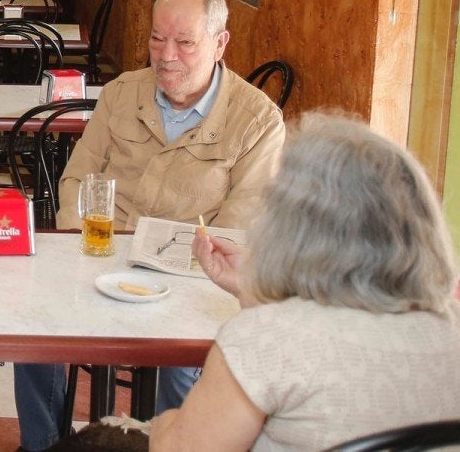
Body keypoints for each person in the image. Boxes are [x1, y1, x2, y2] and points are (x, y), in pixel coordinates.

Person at [13, 0, 285, 452]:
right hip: (99, 254)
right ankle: (41, 445)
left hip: (192, 277)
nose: (166, 55)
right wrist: (84, 244)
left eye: (184, 42)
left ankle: (170, 443)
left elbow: (236, 232)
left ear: (220, 44)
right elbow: (76, 178)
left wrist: (169, 263)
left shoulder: (257, 122)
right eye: (157, 39)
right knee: (33, 330)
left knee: (182, 364)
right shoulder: (121, 93)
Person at [149, 113, 460, 451]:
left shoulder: (262, 340)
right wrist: (251, 288)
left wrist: (165, 422)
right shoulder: (452, 326)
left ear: (292, 229)